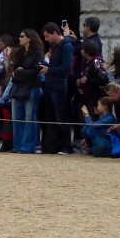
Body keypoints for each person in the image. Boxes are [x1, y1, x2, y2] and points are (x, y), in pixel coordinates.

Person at [40, 22, 74, 154]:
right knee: (50, 116)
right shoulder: (54, 46)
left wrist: (49, 70)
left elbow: (66, 68)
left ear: (55, 33)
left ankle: (66, 146)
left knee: (61, 117)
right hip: (49, 84)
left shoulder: (66, 46)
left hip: (59, 85)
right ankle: (52, 145)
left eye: (47, 36)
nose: (46, 39)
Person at [9, 29, 44, 154]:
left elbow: (35, 71)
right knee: (16, 117)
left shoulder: (38, 53)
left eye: (22, 36)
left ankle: (28, 146)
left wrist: (19, 72)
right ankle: (17, 145)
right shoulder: (19, 53)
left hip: (31, 87)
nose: (20, 38)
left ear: (29, 38)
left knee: (29, 117)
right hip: (18, 86)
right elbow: (13, 69)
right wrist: (20, 71)